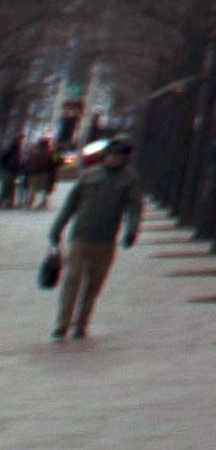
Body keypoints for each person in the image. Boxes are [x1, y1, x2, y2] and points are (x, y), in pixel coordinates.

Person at [46, 139, 137, 338]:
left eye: (119, 157)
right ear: (104, 156)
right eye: (111, 156)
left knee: (93, 285)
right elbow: (71, 204)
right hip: (80, 237)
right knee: (72, 281)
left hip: (105, 241)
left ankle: (81, 324)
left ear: (125, 159)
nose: (114, 160)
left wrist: (131, 231)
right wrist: (57, 228)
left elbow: (134, 208)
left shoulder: (128, 181)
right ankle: (62, 323)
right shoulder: (89, 175)